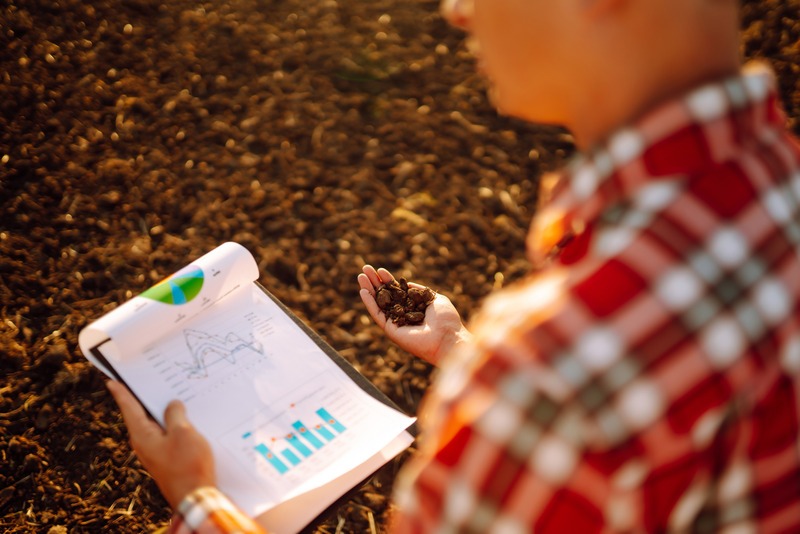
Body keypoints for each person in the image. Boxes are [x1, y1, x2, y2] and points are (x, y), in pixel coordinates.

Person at [108, 0, 800, 531]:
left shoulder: (553, 373)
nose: (455, 10)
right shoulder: (774, 193)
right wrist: (461, 352)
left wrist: (199, 500)